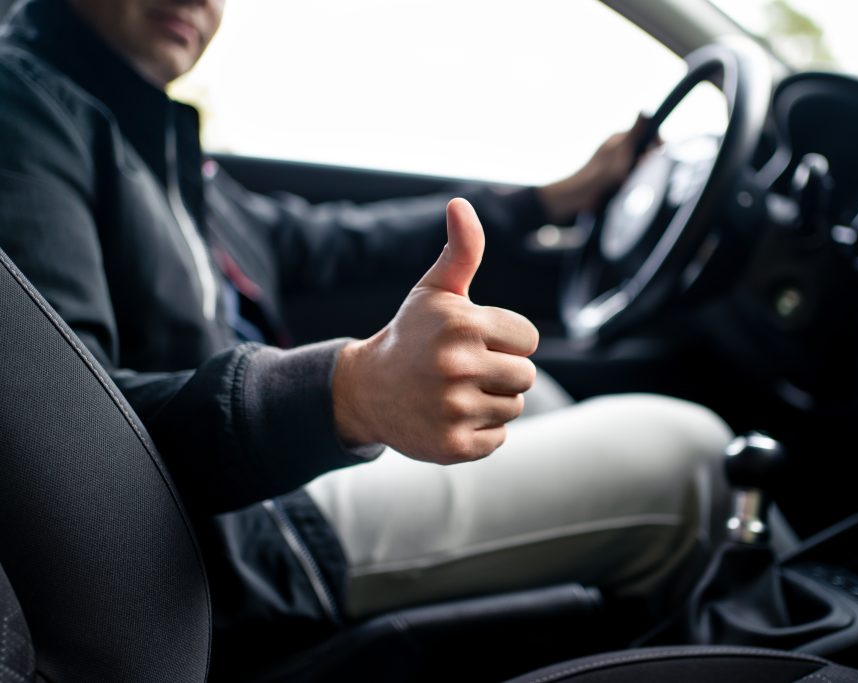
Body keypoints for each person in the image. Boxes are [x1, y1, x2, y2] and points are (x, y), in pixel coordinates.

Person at [0, 0, 732, 671]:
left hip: (264, 487)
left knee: (535, 397)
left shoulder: (148, 137)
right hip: (222, 540)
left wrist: (545, 201)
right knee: (692, 451)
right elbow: (68, 438)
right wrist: (345, 393)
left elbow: (324, 239)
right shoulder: (24, 109)